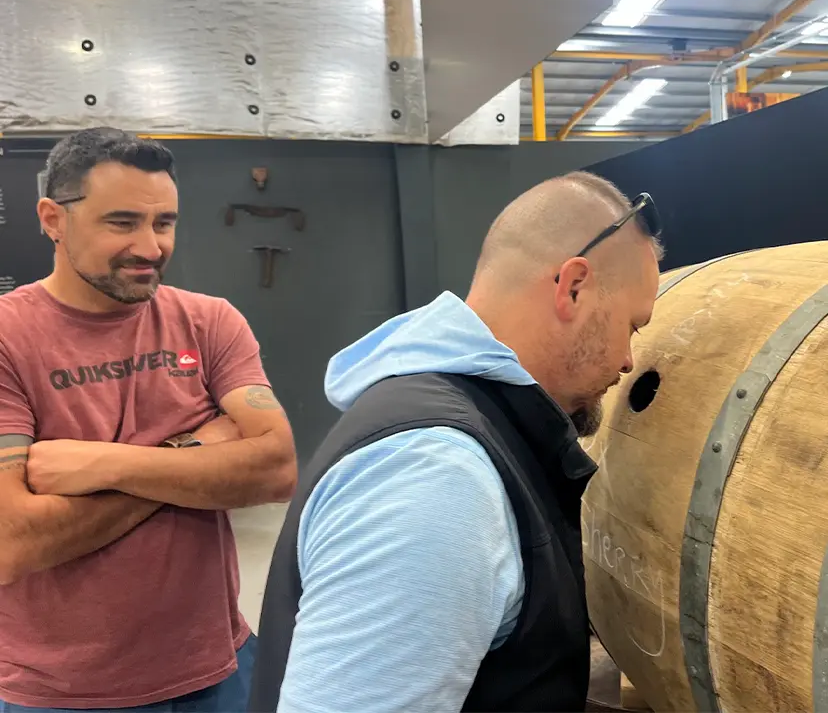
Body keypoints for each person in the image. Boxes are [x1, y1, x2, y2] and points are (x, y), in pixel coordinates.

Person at [249, 171, 663, 713]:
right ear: (574, 288)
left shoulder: (450, 415)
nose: (629, 360)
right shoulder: (438, 478)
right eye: (631, 326)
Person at [0, 128, 297, 712]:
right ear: (53, 219)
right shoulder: (9, 337)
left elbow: (277, 468)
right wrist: (200, 451)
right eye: (122, 222)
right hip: (60, 692)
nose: (150, 246)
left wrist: (105, 465)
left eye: (164, 223)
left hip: (218, 667)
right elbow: (13, 541)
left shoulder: (209, 322)